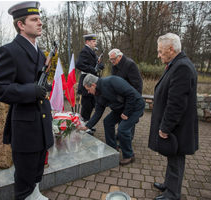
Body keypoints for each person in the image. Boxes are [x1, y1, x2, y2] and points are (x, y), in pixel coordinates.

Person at [0, 2, 53, 200]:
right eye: (34, 20)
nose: (40, 23)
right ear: (21, 25)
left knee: (37, 169)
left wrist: (43, 88)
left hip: (41, 123)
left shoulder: (40, 52)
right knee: (24, 178)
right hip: (25, 127)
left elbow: (35, 82)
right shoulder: (10, 51)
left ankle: (36, 194)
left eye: (40, 19)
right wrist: (30, 90)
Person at [149, 33, 199, 200]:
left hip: (177, 127)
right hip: (176, 125)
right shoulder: (177, 64)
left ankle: (172, 194)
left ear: (171, 49)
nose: (158, 55)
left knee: (176, 161)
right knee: (172, 159)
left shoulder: (182, 67)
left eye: (160, 52)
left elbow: (176, 103)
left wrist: (165, 127)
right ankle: (168, 185)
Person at [79, 74, 145, 166]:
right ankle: (112, 147)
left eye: (88, 89)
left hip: (135, 105)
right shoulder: (97, 94)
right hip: (120, 108)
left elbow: (131, 94)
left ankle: (129, 155)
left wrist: (126, 112)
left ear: (93, 85)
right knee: (107, 122)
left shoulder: (112, 81)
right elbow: (98, 113)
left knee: (122, 129)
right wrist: (86, 126)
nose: (88, 92)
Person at [109, 48, 143, 141]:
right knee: (122, 116)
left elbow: (138, 84)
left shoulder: (130, 65)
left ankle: (127, 138)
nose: (112, 61)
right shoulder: (114, 65)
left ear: (120, 56)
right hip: (120, 98)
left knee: (128, 118)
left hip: (130, 97)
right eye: (110, 60)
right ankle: (120, 135)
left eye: (113, 59)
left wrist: (135, 100)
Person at [76, 34, 104, 136]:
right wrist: (93, 69)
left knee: (92, 104)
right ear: (87, 42)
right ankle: (83, 125)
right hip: (86, 82)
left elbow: (100, 66)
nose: (95, 43)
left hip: (93, 81)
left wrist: (99, 64)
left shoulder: (92, 52)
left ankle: (88, 124)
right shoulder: (85, 51)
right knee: (86, 105)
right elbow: (79, 64)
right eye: (93, 41)